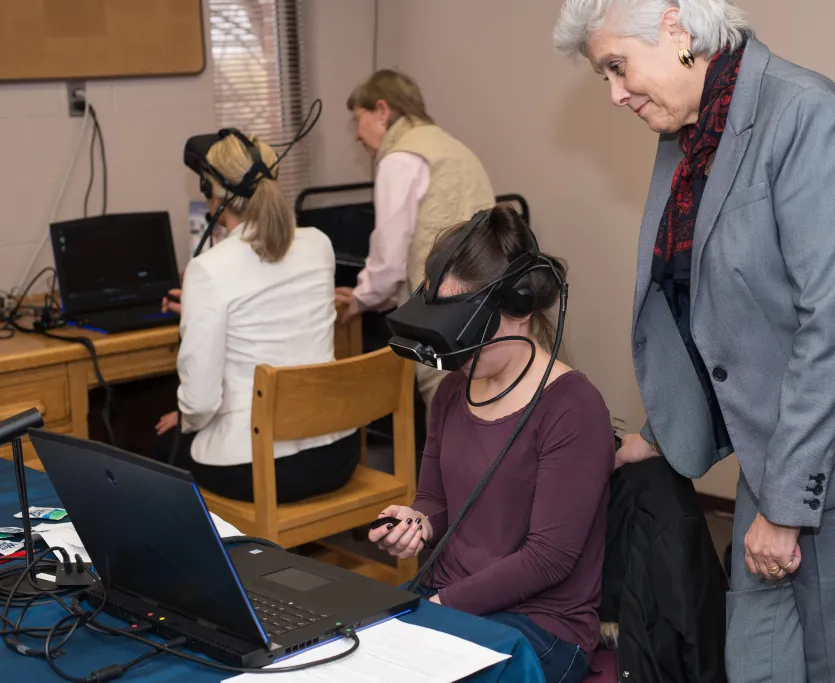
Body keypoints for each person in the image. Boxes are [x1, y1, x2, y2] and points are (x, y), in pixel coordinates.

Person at [553, 1, 835, 681]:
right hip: (780, 440)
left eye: (616, 67)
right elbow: (710, 306)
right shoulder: (690, 135)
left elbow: (833, 323)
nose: (614, 93)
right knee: (757, 659)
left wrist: (783, 509)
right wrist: (661, 431)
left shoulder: (804, 113)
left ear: (675, 28)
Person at [368, 205, 614, 683]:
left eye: (466, 325)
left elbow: (549, 559)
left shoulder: (574, 407)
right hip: (451, 603)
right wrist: (417, 523)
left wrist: (440, 608)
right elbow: (436, 500)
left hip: (541, 626)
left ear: (519, 305)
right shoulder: (451, 393)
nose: (453, 347)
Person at [154, 132, 361, 503]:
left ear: (213, 195)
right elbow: (282, 315)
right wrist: (205, 309)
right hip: (338, 453)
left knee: (156, 445)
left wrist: (185, 420)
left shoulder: (209, 270)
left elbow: (199, 404)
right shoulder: (318, 244)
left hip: (257, 466)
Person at [337, 69, 495, 412]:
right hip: (488, 306)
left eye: (357, 118)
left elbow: (390, 257)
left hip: (441, 318)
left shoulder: (399, 159)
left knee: (449, 414)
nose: (356, 136)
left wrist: (361, 298)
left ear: (382, 110)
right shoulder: (454, 148)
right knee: (488, 412)